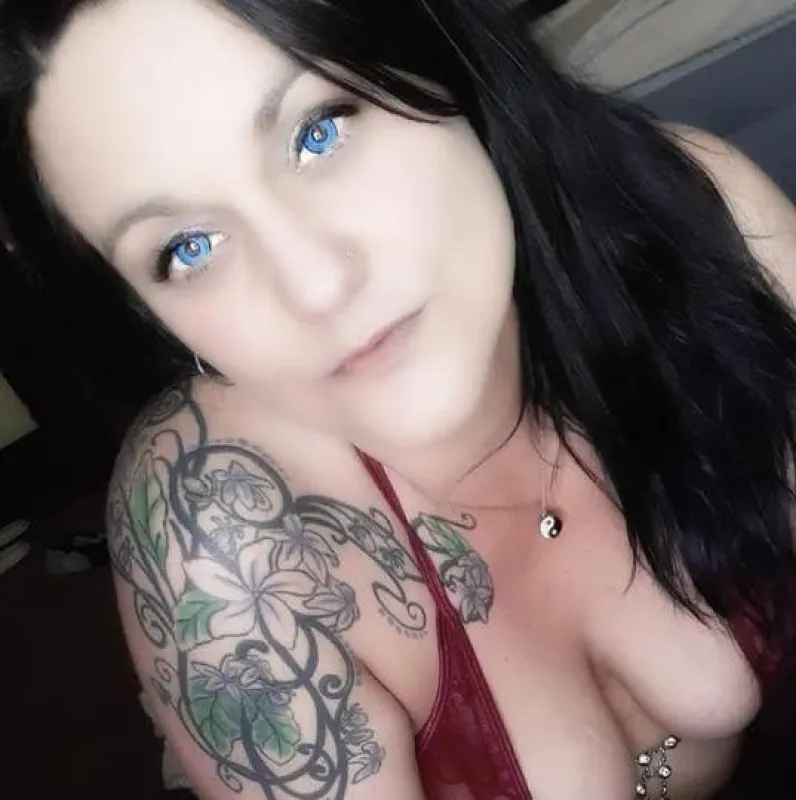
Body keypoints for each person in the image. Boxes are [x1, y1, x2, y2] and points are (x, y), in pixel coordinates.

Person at [1, 0, 796, 797]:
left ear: (435, 54)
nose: (318, 286)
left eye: (319, 132)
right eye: (188, 249)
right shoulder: (222, 530)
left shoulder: (698, 228)